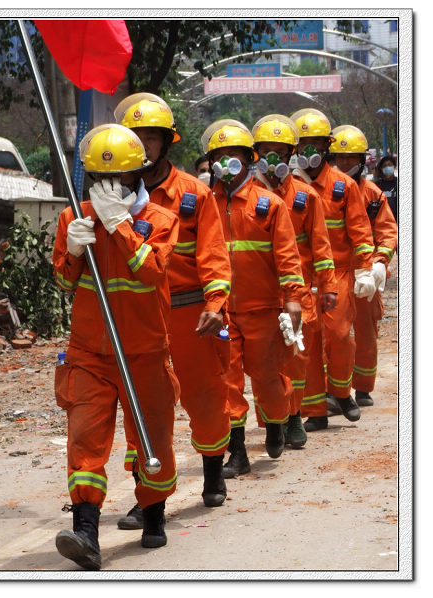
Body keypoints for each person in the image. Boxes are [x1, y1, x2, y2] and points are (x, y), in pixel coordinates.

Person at [52, 124, 180, 570]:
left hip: (144, 351)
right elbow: (65, 282)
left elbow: (152, 272)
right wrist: (73, 251)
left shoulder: (161, 221)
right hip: (89, 352)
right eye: (99, 180)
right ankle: (86, 531)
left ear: (138, 177)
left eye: (119, 180)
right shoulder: (74, 217)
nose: (108, 189)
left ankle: (153, 511)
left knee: (153, 438)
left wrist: (121, 226)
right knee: (84, 440)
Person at [113, 93, 231, 525]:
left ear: (166, 142)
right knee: (143, 407)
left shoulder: (195, 194)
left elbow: (215, 256)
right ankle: (149, 497)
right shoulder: (113, 196)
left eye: (152, 138)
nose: (144, 147)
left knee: (204, 397)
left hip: (190, 314)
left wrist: (217, 304)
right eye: (136, 138)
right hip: (141, 317)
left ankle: (214, 473)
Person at [200, 119, 304, 477]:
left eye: (235, 156)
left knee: (267, 379)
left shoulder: (270, 204)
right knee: (227, 381)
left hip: (262, 308)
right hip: (223, 311)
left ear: (249, 160)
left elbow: (289, 257)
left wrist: (293, 299)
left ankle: (276, 423)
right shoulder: (205, 204)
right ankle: (238, 451)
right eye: (220, 156)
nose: (227, 164)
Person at [251, 114, 336, 450]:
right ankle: (274, 420)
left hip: (297, 290)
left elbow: (321, 246)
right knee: (262, 360)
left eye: (280, 151)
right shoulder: (245, 196)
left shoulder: (305, 196)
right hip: (257, 291)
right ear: (255, 153)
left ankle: (294, 414)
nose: (273, 158)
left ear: (291, 155)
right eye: (267, 150)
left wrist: (328, 286)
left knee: (296, 357)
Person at [289, 109, 376, 431]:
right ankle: (316, 411)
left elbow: (360, 230)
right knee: (307, 344)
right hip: (299, 277)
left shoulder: (343, 186)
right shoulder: (289, 187)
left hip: (337, 271)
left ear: (327, 146)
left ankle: (341, 391)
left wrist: (365, 270)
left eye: (315, 143)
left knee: (340, 335)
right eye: (303, 143)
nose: (309, 150)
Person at [328, 125, 398, 407]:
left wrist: (380, 264)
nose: (345, 164)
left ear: (361, 160)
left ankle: (364, 387)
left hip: (365, 273)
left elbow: (387, 232)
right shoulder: (324, 190)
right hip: (334, 272)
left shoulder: (372, 193)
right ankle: (333, 390)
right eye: (340, 158)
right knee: (334, 333)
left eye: (351, 158)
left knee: (366, 331)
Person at [374, 155, 398, 225]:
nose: (387, 167)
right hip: (383, 221)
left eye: (389, 165)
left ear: (394, 167)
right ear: (381, 169)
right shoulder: (377, 185)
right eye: (384, 166)